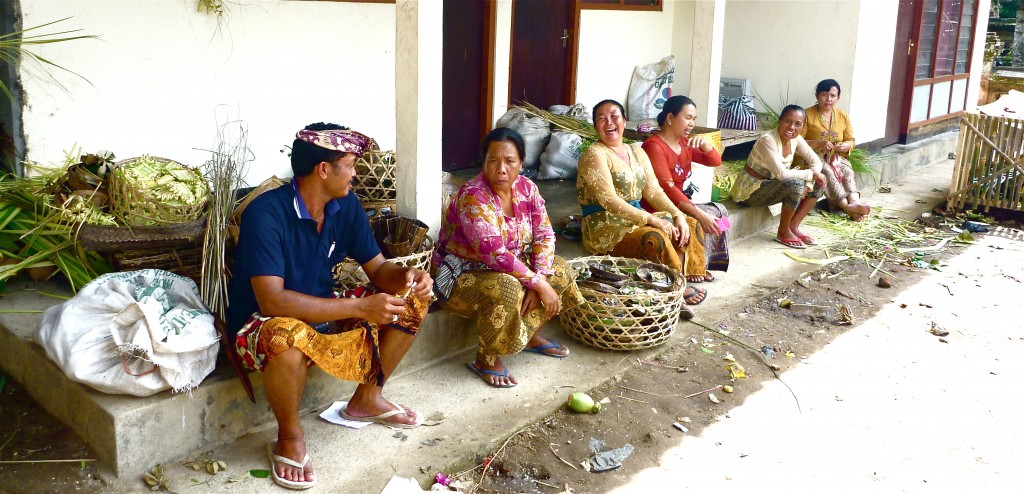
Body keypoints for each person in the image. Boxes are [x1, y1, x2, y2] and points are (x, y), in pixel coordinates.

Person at [227, 122, 434, 490]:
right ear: (325, 169)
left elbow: (378, 269)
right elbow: (271, 300)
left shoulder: (345, 206)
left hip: (322, 315)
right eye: (350, 165)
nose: (355, 175)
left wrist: (407, 278)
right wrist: (359, 309)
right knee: (285, 337)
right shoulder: (266, 214)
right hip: (263, 324)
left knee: (414, 302)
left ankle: (367, 399)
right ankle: (289, 437)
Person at [434, 127, 582, 389]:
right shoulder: (473, 195)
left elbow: (545, 235)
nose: (501, 168)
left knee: (559, 270)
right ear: (484, 163)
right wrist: (537, 283)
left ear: (521, 164)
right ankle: (486, 360)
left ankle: (530, 335)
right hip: (462, 275)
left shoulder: (527, 188)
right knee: (507, 288)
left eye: (510, 161)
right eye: (493, 160)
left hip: (512, 267)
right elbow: (494, 254)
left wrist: (541, 277)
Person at [576, 99, 707, 308]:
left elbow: (653, 190)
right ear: (595, 126)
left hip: (636, 219)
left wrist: (676, 214)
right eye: (601, 119)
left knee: (689, 223)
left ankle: (688, 273)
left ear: (624, 121)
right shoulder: (595, 154)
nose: (609, 122)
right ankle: (674, 290)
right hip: (606, 227)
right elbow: (609, 200)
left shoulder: (637, 151)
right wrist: (651, 219)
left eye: (614, 116)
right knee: (655, 237)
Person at [641, 95, 730, 282]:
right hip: (659, 205)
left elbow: (715, 160)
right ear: (670, 118)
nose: (691, 124)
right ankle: (692, 268)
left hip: (680, 201)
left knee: (718, 210)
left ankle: (703, 263)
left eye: (694, 119)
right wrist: (698, 213)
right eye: (688, 118)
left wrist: (706, 146)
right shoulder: (654, 146)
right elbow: (666, 188)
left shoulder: (684, 143)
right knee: (696, 220)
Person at [731, 105, 826, 249]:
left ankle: (793, 226)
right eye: (787, 121)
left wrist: (809, 183)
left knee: (819, 182)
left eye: (797, 124)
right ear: (779, 121)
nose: (792, 127)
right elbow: (782, 174)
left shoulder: (796, 139)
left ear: (802, 127)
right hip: (751, 189)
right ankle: (783, 231)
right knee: (795, 184)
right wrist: (810, 175)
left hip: (773, 185)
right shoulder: (767, 140)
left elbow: (816, 161)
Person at [802, 79, 871, 221]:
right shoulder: (806, 115)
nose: (828, 99)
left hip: (835, 157)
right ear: (817, 96)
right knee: (826, 170)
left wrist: (846, 146)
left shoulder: (843, 116)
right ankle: (847, 208)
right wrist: (817, 143)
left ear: (838, 98)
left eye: (833, 95)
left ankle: (855, 203)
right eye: (824, 94)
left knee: (846, 169)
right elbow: (797, 142)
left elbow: (851, 140)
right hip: (811, 157)